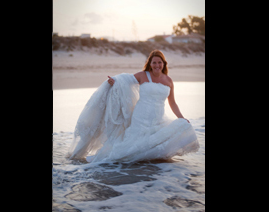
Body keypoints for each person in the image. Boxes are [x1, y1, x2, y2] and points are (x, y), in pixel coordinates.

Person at [67, 50, 199, 163]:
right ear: (150, 64)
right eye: (154, 62)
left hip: (158, 118)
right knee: (134, 145)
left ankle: (153, 160)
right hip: (141, 118)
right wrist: (115, 82)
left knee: (182, 127)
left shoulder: (168, 80)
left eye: (160, 62)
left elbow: (172, 103)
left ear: (164, 63)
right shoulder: (143, 75)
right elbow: (125, 80)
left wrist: (182, 117)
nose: (157, 65)